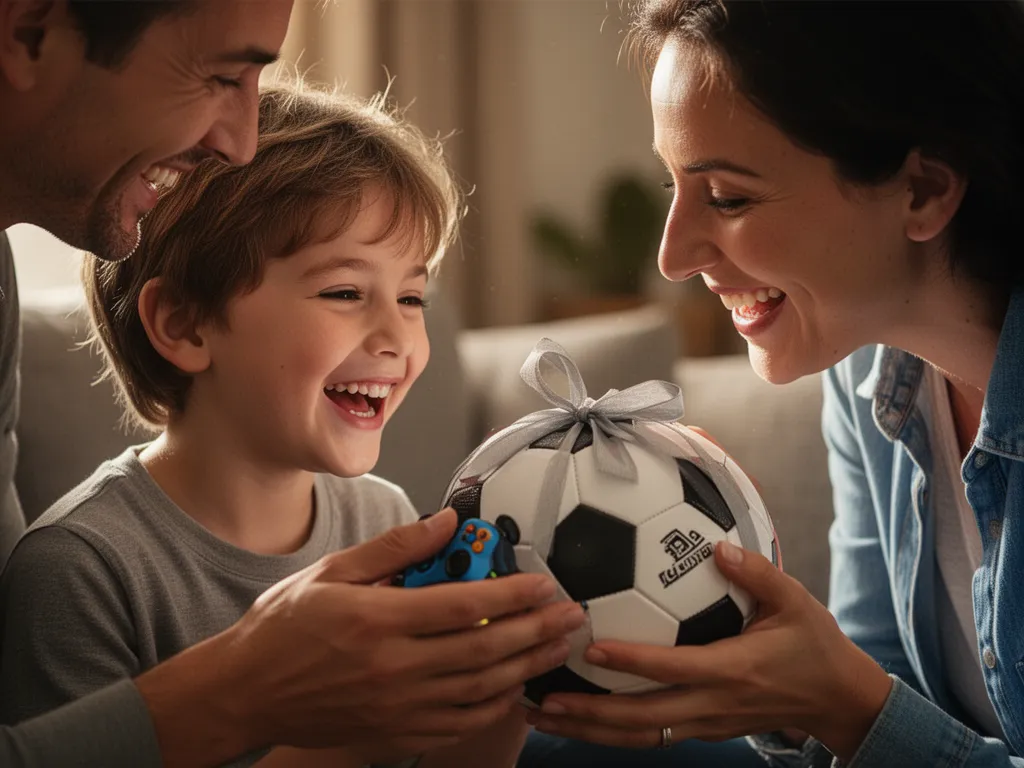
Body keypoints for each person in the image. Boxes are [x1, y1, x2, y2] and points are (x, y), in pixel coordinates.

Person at [0, 2, 579, 766]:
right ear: (185, 325)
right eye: (344, 293)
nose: (397, 336)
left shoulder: (385, 520)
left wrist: (520, 676)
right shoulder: (83, 571)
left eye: (413, 298)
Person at [517, 1, 1024, 766]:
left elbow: (865, 706)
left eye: (727, 197)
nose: (673, 257)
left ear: (922, 190)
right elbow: (876, 683)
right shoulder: (872, 373)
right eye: (672, 188)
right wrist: (757, 643)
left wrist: (841, 701)